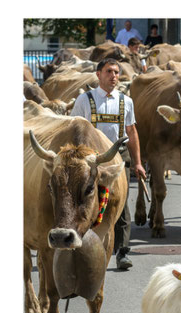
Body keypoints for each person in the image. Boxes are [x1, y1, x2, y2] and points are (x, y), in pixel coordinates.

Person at [70, 58, 147, 270]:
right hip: (91, 159)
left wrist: (138, 163)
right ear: (98, 74)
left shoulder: (126, 101)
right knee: (85, 202)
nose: (114, 76)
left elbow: (131, 132)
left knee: (120, 204)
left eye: (116, 72)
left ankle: (122, 251)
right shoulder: (84, 100)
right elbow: (73, 130)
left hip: (119, 157)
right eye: (109, 72)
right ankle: (80, 248)